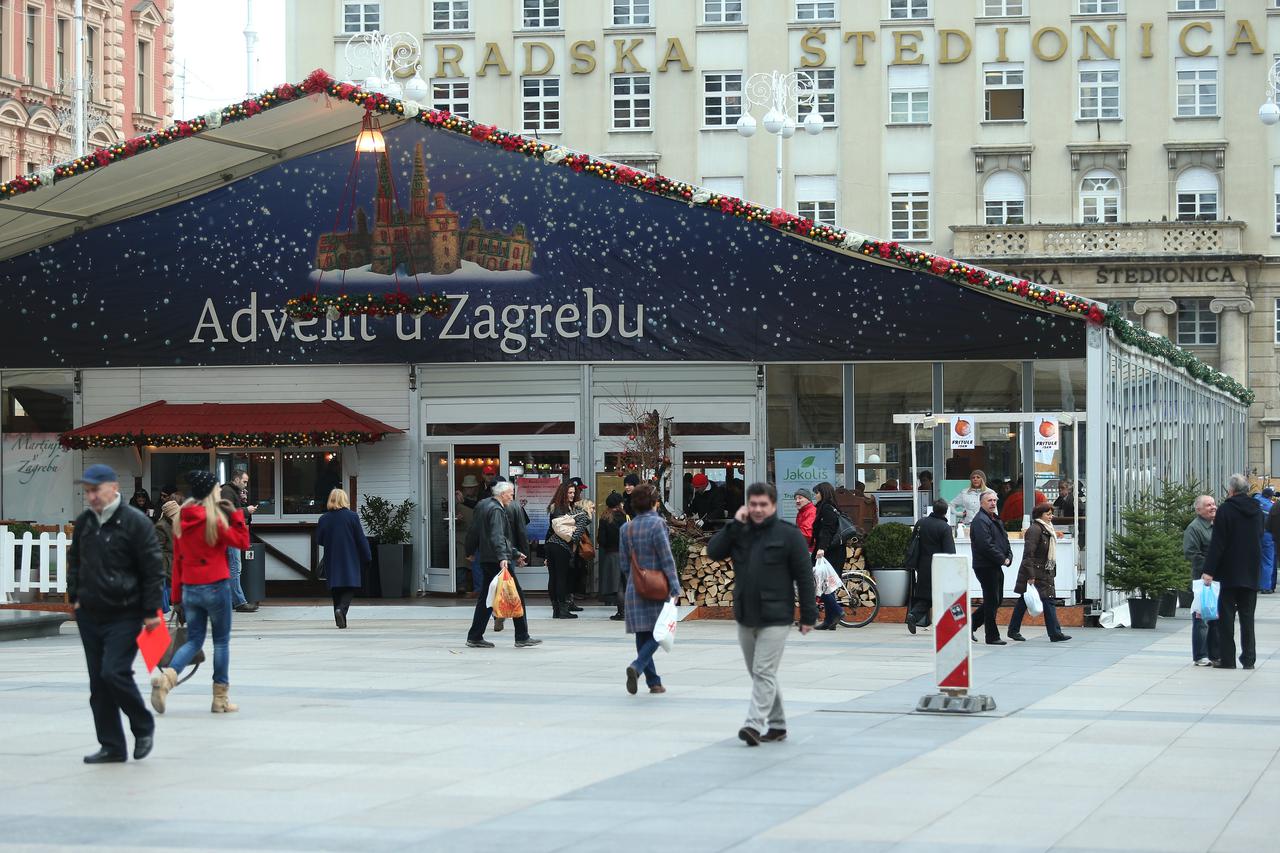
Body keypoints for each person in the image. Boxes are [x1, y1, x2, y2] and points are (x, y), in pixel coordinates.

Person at [68, 464, 165, 764]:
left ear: (113, 488)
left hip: (126, 612)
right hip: (90, 613)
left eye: (96, 490)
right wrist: (75, 599)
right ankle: (111, 745)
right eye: (87, 492)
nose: (91, 497)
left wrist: (150, 612)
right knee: (99, 683)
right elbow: (75, 561)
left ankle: (142, 724)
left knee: (114, 672)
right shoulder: (86, 522)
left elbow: (152, 570)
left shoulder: (135, 522)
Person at [708, 482, 816, 747]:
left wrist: (808, 615)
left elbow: (804, 577)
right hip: (746, 614)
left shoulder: (788, 535)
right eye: (753, 504)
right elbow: (713, 551)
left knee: (763, 670)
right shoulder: (740, 532)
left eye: (763, 505)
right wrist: (733, 524)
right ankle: (777, 724)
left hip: (776, 615)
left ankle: (754, 725)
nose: (757, 509)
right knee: (759, 673)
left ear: (774, 506)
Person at [150, 470, 250, 716]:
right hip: (216, 586)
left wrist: (176, 599)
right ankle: (220, 699)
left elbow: (178, 563)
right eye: (217, 489)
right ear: (211, 493)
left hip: (190, 590)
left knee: (194, 640)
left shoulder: (182, 521)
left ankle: (167, 680)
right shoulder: (214, 519)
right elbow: (242, 542)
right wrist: (237, 513)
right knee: (221, 642)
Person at [621, 483, 683, 695]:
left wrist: (635, 580)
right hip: (657, 587)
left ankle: (654, 682)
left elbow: (623, 563)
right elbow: (666, 558)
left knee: (643, 634)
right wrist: (675, 587)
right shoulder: (658, 525)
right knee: (660, 631)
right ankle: (637, 667)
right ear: (654, 503)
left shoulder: (625, 528)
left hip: (635, 587)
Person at [465, 482, 541, 649]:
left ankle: (475, 636)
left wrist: (470, 550)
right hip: (497, 560)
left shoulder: (483, 505)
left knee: (486, 598)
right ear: (501, 494)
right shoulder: (497, 510)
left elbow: (474, 530)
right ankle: (522, 636)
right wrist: (504, 557)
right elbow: (498, 536)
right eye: (510, 494)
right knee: (516, 596)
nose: (512, 497)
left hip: (486, 558)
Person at [1202, 474, 1262, 670]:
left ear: (1231, 490)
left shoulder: (1226, 509)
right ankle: (1249, 659)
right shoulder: (1257, 510)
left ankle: (1228, 660)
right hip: (1251, 571)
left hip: (1228, 572)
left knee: (1226, 618)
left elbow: (1218, 543)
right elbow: (1260, 537)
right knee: (1247, 618)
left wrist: (1209, 570)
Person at [1007, 503, 1071, 643]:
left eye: (1051, 513)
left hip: (1044, 571)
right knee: (1047, 601)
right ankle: (1055, 633)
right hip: (1035, 573)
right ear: (1040, 515)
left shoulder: (1046, 529)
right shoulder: (1035, 530)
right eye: (1048, 514)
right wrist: (1030, 575)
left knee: (1025, 601)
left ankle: (1013, 630)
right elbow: (1028, 554)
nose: (1051, 516)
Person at [316, 488, 371, 629]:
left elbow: (319, 540)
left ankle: (339, 615)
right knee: (350, 585)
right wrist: (367, 556)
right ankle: (341, 610)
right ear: (344, 500)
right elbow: (360, 539)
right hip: (349, 555)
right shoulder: (352, 517)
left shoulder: (324, 518)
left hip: (332, 556)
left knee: (336, 587)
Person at [970, 490, 1012, 645]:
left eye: (995, 500)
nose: (993, 503)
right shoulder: (980, 520)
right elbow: (985, 545)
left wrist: (1009, 555)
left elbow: (1004, 539)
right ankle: (992, 636)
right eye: (990, 500)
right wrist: (1002, 559)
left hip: (994, 564)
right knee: (992, 600)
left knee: (995, 599)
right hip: (985, 565)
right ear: (982, 503)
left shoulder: (994, 518)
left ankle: (970, 625)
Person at [907, 499, 956, 634]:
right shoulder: (944, 527)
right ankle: (942, 622)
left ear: (933, 509)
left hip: (922, 565)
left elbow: (912, 542)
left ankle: (915, 616)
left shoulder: (921, 523)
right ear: (945, 512)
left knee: (928, 595)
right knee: (940, 595)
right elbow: (950, 551)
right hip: (939, 565)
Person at [1184, 495, 1220, 666]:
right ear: (1198, 510)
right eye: (1208, 505)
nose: (1213, 507)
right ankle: (1200, 655)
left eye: (1213, 504)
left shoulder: (1218, 525)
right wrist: (1209, 569)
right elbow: (1191, 553)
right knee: (1201, 617)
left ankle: (1215, 653)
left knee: (1216, 616)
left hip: (1218, 579)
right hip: (1203, 579)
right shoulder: (1195, 528)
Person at [546, 481, 588, 619]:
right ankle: (562, 610)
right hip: (561, 545)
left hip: (552, 544)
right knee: (561, 577)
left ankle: (556, 609)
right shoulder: (562, 508)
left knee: (554, 577)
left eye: (573, 493)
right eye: (569, 493)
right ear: (563, 493)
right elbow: (562, 530)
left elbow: (550, 529)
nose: (572, 495)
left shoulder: (556, 507)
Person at [221, 468, 259, 613]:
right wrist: (245, 510)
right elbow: (228, 512)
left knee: (232, 568)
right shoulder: (227, 492)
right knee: (235, 568)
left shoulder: (229, 491)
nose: (245, 485)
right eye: (244, 481)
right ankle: (239, 602)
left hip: (230, 533)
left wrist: (243, 507)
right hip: (230, 534)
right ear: (236, 479)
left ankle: (232, 601)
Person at [600, 491, 626, 621]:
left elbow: (601, 540)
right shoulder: (625, 517)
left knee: (618, 586)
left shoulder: (605, 518)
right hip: (626, 554)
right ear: (619, 504)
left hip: (612, 554)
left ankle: (621, 613)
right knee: (624, 584)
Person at [455, 473, 482, 597]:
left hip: (477, 536)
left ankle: (476, 587)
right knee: (461, 561)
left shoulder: (479, 500)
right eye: (467, 487)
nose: (469, 490)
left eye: (471, 487)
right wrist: (456, 519)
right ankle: (461, 585)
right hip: (462, 535)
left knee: (476, 562)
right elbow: (447, 519)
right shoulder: (456, 501)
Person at [154, 500, 180, 613]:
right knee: (165, 587)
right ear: (171, 514)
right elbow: (158, 548)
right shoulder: (161, 526)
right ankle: (163, 609)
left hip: (171, 560)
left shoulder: (172, 523)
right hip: (165, 562)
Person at [810, 482, 843, 569]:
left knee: (828, 580)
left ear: (823, 493)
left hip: (830, 551)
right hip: (831, 549)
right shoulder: (828, 507)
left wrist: (822, 548)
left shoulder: (827, 508)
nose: (815, 496)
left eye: (817, 493)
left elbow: (828, 529)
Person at [1255, 486, 1276, 594]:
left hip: (1254, 535)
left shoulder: (1255, 501)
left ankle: (1256, 584)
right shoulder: (1271, 506)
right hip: (1267, 535)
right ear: (1271, 496)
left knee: (1255, 560)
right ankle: (1266, 587)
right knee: (1268, 560)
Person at [1267, 495, 1280, 595]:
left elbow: (1268, 525)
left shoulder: (1274, 507)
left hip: (1276, 539)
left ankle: (1271, 586)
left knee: (1274, 563)